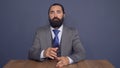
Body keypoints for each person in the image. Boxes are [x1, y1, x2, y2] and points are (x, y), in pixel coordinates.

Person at [28, 3, 85, 68]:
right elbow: (31, 53)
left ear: (64, 15)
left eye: (58, 12)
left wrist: (68, 60)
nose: (55, 15)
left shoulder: (72, 32)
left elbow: (81, 52)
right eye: (52, 12)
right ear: (48, 15)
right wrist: (43, 53)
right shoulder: (40, 32)